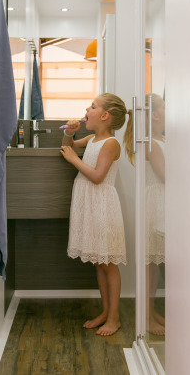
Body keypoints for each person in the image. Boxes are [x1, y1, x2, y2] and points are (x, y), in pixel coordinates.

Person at [60, 93, 133, 336]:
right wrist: (69, 133)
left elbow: (97, 176)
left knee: (109, 264)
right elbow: (68, 146)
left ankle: (114, 317)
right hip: (90, 205)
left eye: (92, 106)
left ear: (104, 116)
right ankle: (105, 311)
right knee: (99, 264)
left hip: (102, 206)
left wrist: (73, 160)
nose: (86, 110)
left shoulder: (110, 144)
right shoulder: (92, 139)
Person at [145, 93, 165, 336]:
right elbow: (165, 176)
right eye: (164, 107)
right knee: (150, 264)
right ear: (156, 114)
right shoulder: (152, 143)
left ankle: (152, 313)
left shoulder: (162, 140)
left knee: (156, 263)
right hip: (156, 203)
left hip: (163, 202)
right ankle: (147, 318)